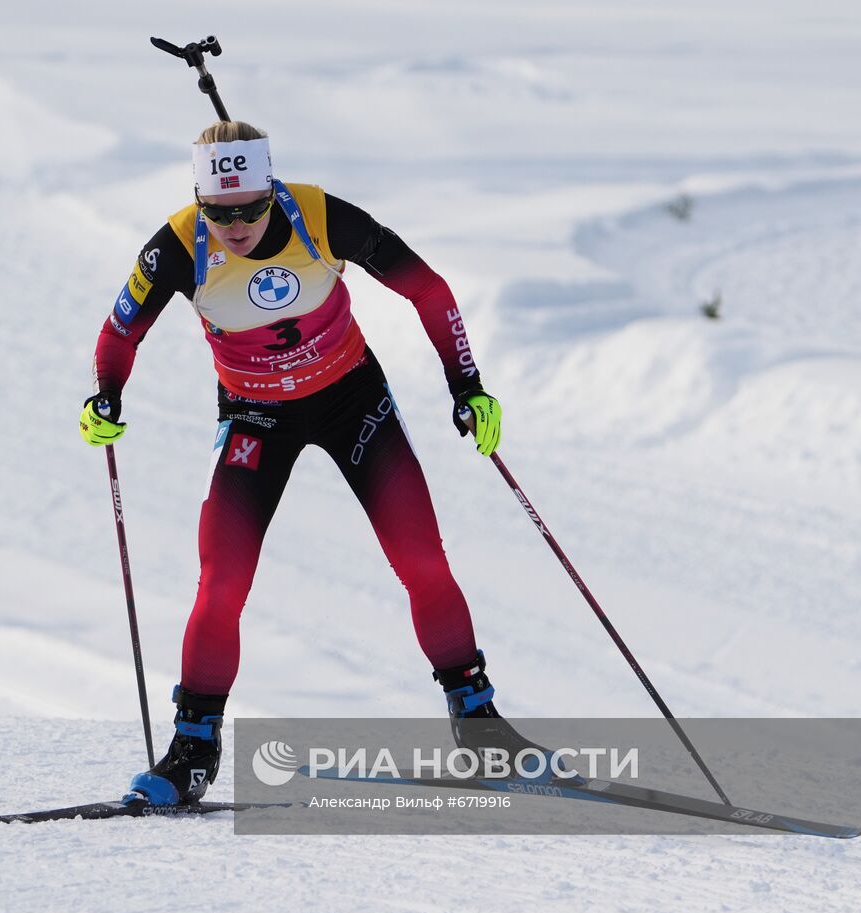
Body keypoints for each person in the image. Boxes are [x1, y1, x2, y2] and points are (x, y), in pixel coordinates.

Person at [80, 120, 536, 806]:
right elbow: (120, 332)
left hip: (352, 399)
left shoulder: (318, 214)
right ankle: (192, 751)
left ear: (271, 189)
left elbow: (430, 289)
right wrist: (106, 395)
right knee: (222, 578)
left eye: (251, 208)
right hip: (254, 416)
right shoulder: (176, 245)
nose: (235, 225)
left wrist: (466, 384)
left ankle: (478, 724)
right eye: (218, 211)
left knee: (421, 558)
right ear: (198, 203)